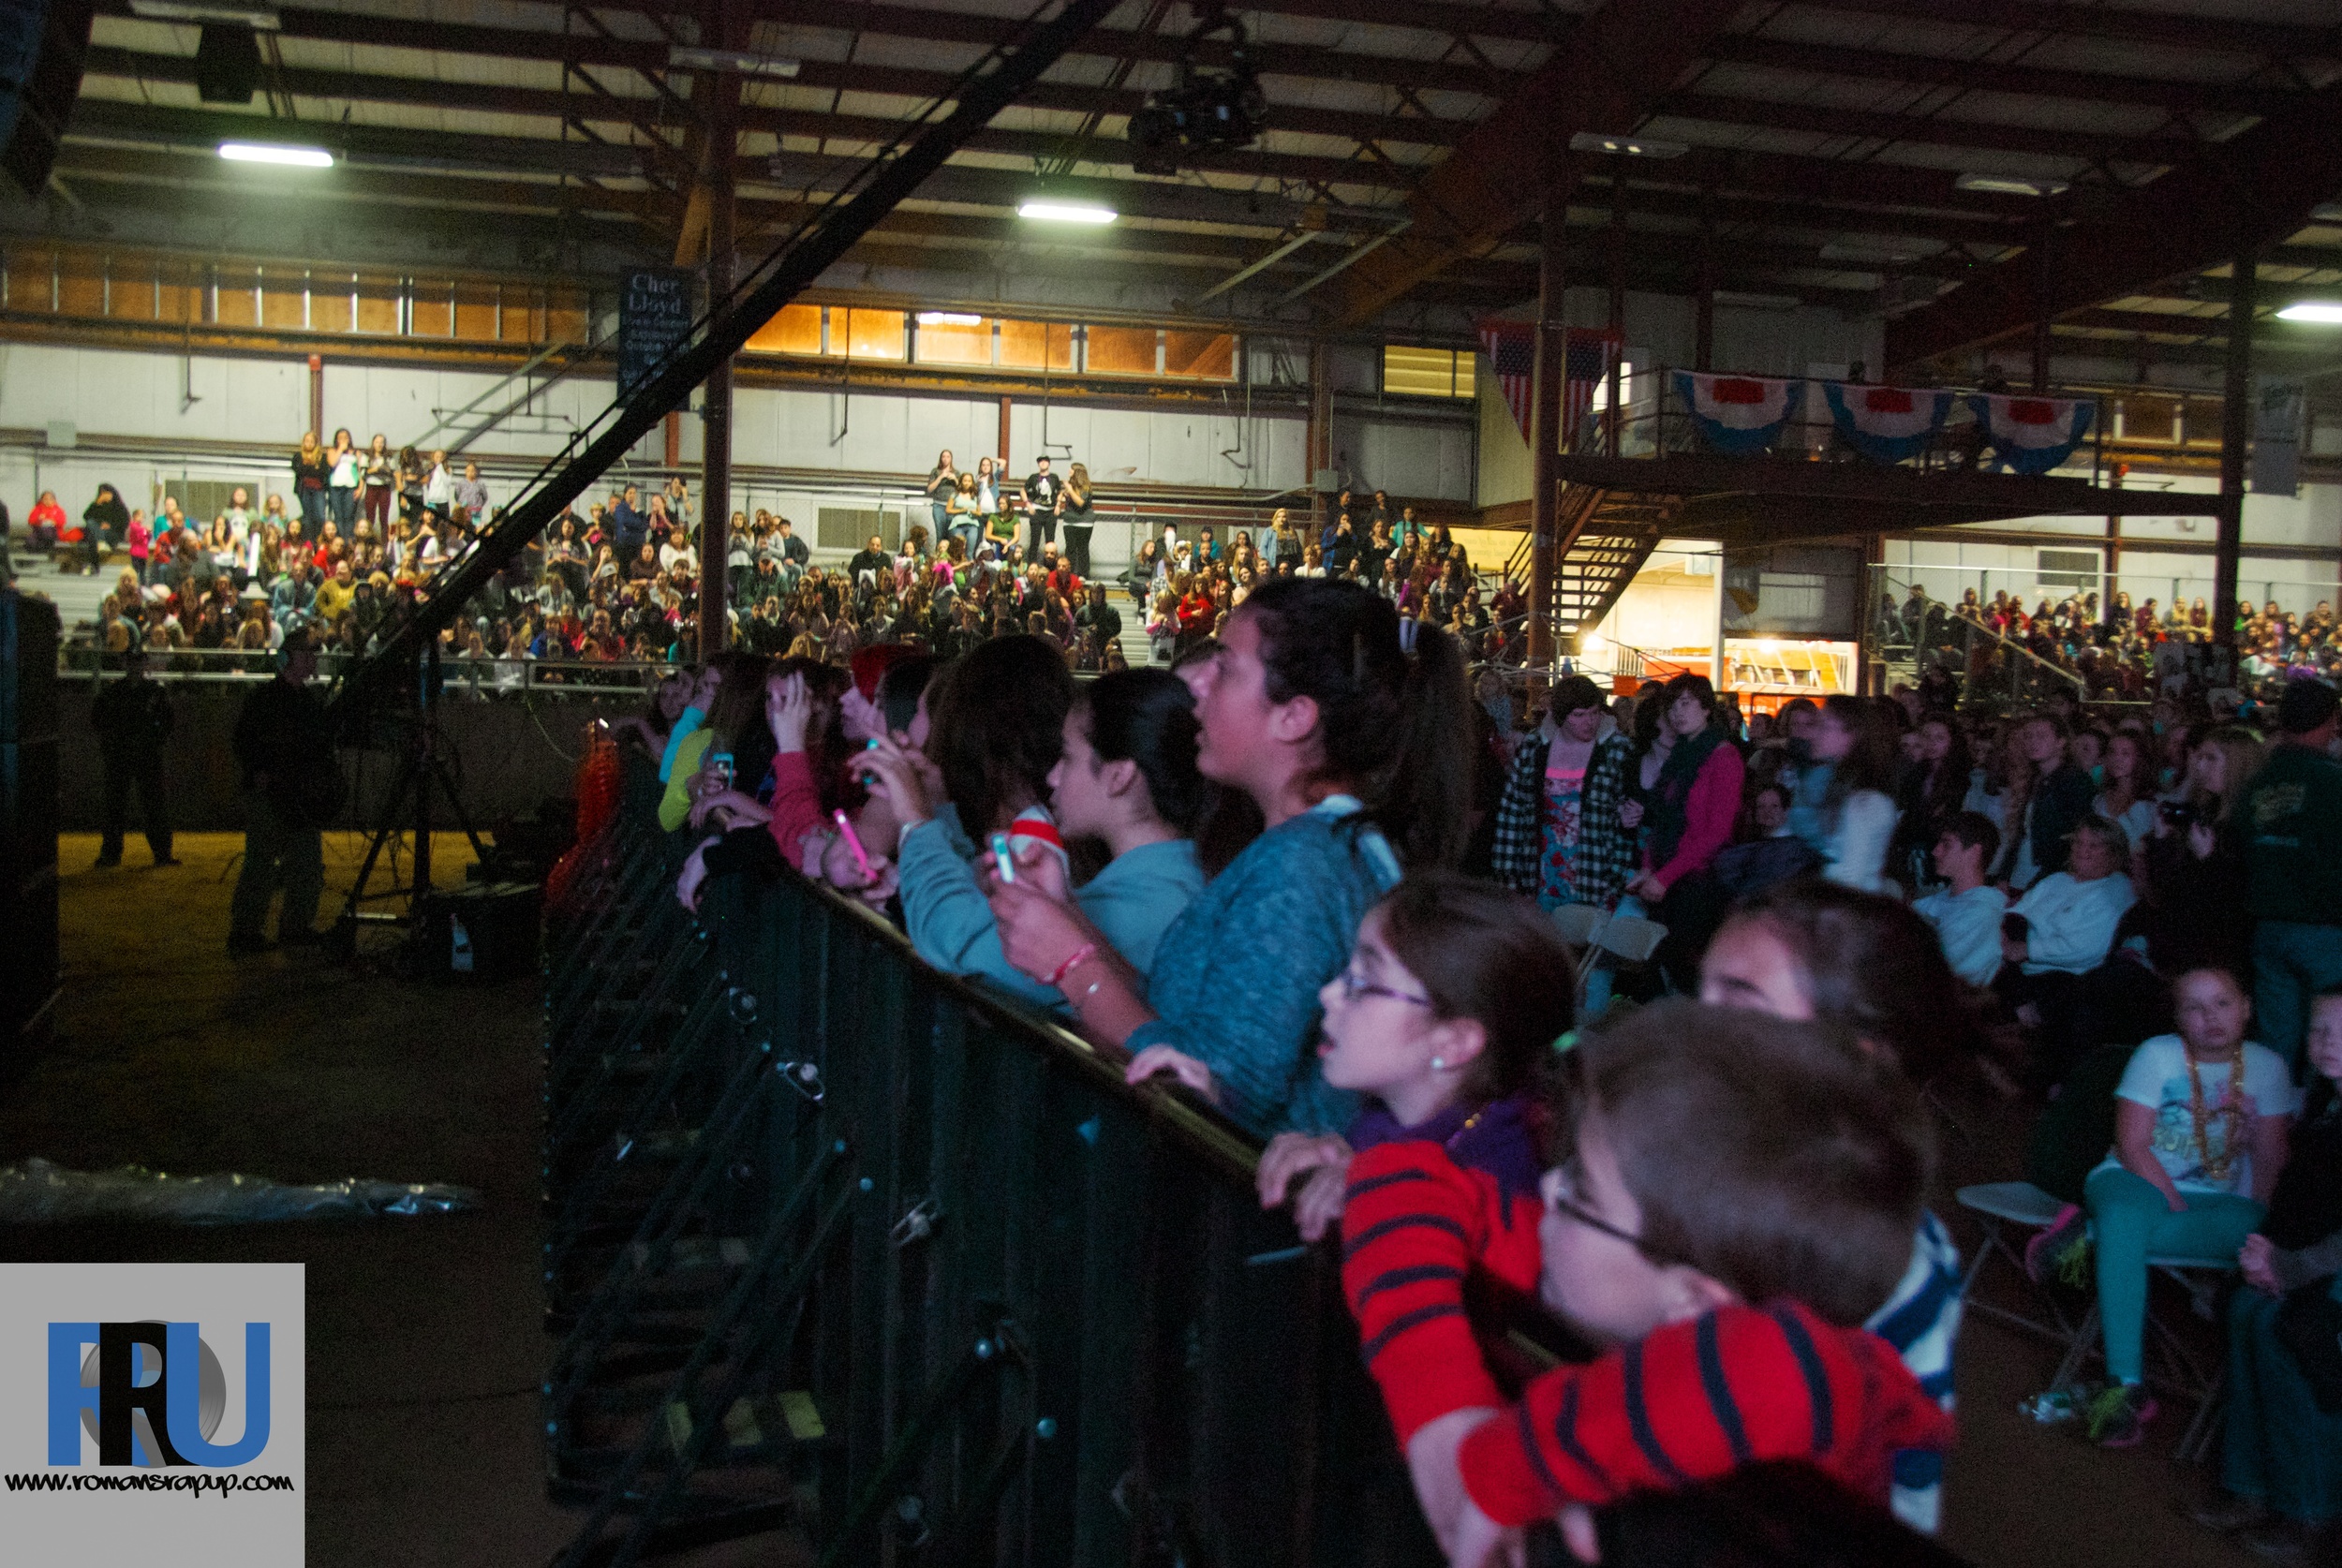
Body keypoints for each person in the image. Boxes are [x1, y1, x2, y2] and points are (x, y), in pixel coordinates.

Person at [1435, 1001, 1951, 1566]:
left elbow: (1775, 1361)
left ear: (1697, 1301)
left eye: (1581, 1194)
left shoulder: (1803, 1398)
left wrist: (1506, 1470)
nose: (1550, 1184)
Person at [986, 577, 1473, 1136]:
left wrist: (1073, 968)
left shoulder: (1301, 867)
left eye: (1227, 667)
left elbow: (1214, 1091)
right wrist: (1064, 915)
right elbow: (1189, 1026)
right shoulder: (1324, 843)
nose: (1198, 688)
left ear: (1294, 716)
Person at [1252, 874, 1573, 1537]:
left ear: (1454, 1042)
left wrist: (1373, 1181)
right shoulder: (1385, 1127)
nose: (1327, 995)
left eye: (1364, 982)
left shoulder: (1503, 1178)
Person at [1695, 882, 1975, 1532]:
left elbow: (1905, 1482)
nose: (1697, 1030)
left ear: (1859, 1057)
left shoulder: (1891, 1261)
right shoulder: (1672, 1160)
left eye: (1740, 1006)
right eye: (1699, 994)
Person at [2031, 966, 2298, 1447]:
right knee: (2125, 1216)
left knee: (2133, 1236)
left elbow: (2271, 1157)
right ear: (2177, 1018)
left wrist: (2259, 1218)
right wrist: (2175, 1206)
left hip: (2219, 1199)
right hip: (2136, 1180)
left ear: (2245, 1010)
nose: (2209, 1017)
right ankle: (2125, 1385)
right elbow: (2132, 1145)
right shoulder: (2156, 1055)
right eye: (2193, 1007)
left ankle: (2083, 1237)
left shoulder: (2267, 1067)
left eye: (2221, 1003)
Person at [860, 663, 1209, 1013]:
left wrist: (916, 821)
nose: (1054, 777)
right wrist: (935, 809)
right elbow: (974, 923)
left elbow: (960, 945)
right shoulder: (1156, 882)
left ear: (1118, 776)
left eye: (1068, 758)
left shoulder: (1149, 904)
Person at [2195, 988, 2342, 1562]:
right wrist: (2267, 1252)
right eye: (2319, 1031)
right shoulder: (2326, 1106)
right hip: (2308, 1263)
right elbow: (2300, 1204)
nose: (2326, 1044)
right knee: (2248, 1312)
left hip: (2323, 1275)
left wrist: (2284, 1265)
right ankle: (2252, 1488)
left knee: (2289, 1330)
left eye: (2339, 1032)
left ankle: (2312, 1512)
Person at [2240, 679, 2342, 1073]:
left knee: (2276, 1046)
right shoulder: (2333, 782)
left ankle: (2274, 1125)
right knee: (2331, 1041)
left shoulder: (2259, 782)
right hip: (2326, 930)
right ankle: (2319, 1125)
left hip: (2268, 927)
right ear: (2331, 721)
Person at [228, 632, 336, 954]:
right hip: (271, 793)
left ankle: (294, 926)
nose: (312, 660)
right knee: (261, 864)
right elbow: (243, 741)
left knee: (306, 864)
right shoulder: (265, 699)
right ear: (288, 659)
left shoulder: (308, 702)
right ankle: (246, 931)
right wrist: (258, 771)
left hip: (299, 794)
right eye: (306, 655)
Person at [1490, 673, 1634, 913]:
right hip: (1536, 868)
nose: (1589, 722)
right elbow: (1512, 810)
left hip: (1595, 868)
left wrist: (1618, 874)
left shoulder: (1617, 750)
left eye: (1594, 713)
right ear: (1561, 716)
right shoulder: (1535, 747)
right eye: (1579, 715)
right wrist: (1506, 869)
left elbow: (1627, 816)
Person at [89, 643, 177, 869]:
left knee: (146, 805)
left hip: (139, 754)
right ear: (126, 663)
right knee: (122, 806)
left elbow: (167, 722)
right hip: (126, 754)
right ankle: (124, 853)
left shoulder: (126, 692)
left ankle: (156, 853)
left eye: (138, 662)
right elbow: (99, 721)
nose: (135, 666)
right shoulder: (143, 692)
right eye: (132, 661)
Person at [1913, 811, 2008, 988]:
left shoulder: (1981, 913)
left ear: (1974, 852)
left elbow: (1938, 968)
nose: (1935, 851)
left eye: (1946, 844)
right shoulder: (1939, 900)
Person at [1057, 461, 1095, 577]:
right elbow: (1061, 495)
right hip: (1069, 521)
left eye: (1071, 469)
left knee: (1082, 549)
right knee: (1070, 549)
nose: (1069, 471)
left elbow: (1080, 503)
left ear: (1077, 472)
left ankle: (1083, 575)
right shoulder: (1070, 486)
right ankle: (1070, 574)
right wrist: (1059, 503)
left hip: (1084, 523)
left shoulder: (1085, 487)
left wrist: (1069, 489)